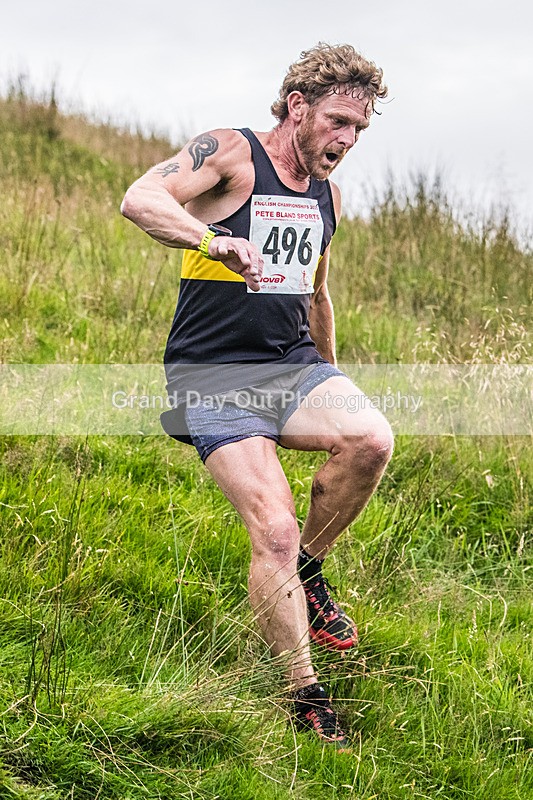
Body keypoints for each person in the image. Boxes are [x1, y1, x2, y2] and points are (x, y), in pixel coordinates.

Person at [121, 43, 393, 750]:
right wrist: (210, 240)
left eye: (358, 130)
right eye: (336, 121)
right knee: (269, 529)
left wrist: (333, 382)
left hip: (291, 366)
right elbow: (140, 198)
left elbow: (317, 292)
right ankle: (304, 692)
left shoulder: (328, 197)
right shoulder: (232, 153)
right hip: (212, 377)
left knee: (371, 439)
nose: (345, 139)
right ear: (297, 106)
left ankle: (310, 570)